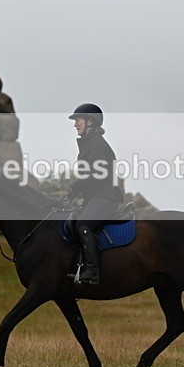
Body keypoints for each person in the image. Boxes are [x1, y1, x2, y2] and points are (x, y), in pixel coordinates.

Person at [66, 103, 123, 285]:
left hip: (105, 196)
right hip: (95, 196)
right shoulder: (89, 144)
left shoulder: (96, 143)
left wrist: (77, 186)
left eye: (78, 120)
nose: (75, 124)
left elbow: (98, 174)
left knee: (83, 225)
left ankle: (92, 271)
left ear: (90, 121)